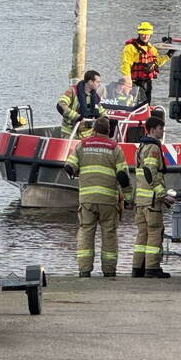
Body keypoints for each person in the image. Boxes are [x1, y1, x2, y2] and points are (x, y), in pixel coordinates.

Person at [64, 117, 131, 277]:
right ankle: (108, 271)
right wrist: (128, 198)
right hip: (108, 200)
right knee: (109, 234)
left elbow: (70, 166)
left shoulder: (82, 145)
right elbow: (123, 176)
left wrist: (75, 171)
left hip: (87, 199)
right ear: (109, 131)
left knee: (86, 232)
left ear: (93, 129)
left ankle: (84, 270)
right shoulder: (115, 148)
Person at [132, 116, 171, 278]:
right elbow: (151, 173)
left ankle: (137, 268)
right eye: (161, 128)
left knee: (142, 234)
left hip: (140, 199)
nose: (162, 132)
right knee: (155, 232)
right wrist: (163, 195)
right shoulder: (153, 149)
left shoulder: (141, 147)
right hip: (152, 200)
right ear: (153, 129)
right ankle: (152, 268)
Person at [120, 22, 170, 104]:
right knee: (136, 102)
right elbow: (125, 64)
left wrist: (169, 54)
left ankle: (147, 114)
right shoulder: (130, 47)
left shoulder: (151, 48)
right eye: (143, 34)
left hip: (147, 81)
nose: (145, 36)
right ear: (139, 33)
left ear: (150, 35)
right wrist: (128, 80)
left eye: (147, 34)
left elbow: (158, 62)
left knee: (147, 103)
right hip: (135, 82)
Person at [57, 70, 103, 137]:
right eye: (97, 82)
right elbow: (61, 105)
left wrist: (107, 119)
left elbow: (100, 109)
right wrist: (77, 117)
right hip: (70, 133)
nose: (99, 84)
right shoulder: (73, 91)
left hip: (88, 135)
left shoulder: (95, 96)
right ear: (90, 82)